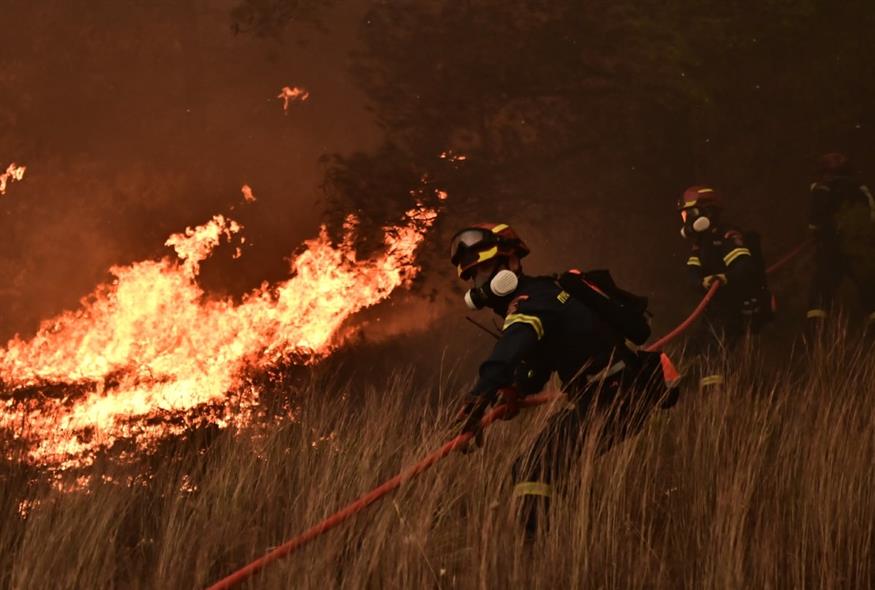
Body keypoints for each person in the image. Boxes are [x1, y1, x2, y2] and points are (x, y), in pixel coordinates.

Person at [450, 222, 680, 536]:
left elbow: (511, 345)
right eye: (475, 276)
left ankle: (535, 546)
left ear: (512, 262)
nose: (482, 283)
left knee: (535, 465)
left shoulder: (531, 301)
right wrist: (514, 388)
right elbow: (538, 366)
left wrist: (480, 396)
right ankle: (557, 537)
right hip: (605, 396)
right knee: (536, 463)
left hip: (615, 395)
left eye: (487, 269)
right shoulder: (542, 296)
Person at [677, 186, 773, 389]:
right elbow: (691, 274)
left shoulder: (726, 237)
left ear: (706, 213)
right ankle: (682, 395)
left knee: (714, 352)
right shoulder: (701, 244)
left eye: (689, 215)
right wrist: (702, 282)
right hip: (715, 309)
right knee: (690, 350)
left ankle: (714, 398)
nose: (686, 221)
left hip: (734, 308)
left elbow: (745, 267)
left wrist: (724, 278)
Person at [805, 153, 875, 341]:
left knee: (819, 295)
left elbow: (815, 221)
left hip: (831, 249)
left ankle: (814, 343)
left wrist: (817, 236)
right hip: (861, 249)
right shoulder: (862, 190)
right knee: (870, 291)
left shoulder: (822, 188)